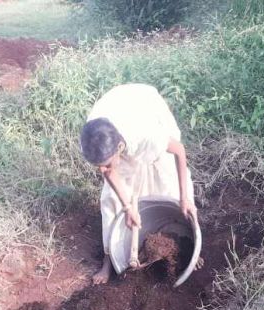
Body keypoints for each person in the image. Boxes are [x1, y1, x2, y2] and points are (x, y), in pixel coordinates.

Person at [80, 83, 198, 285]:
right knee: (111, 201)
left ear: (119, 147)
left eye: (107, 162)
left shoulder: (147, 135)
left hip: (146, 108)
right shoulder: (92, 138)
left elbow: (179, 151)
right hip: (116, 108)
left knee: (165, 179)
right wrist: (127, 207)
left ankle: (189, 247)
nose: (102, 169)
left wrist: (184, 197)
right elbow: (108, 171)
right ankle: (107, 260)